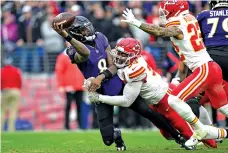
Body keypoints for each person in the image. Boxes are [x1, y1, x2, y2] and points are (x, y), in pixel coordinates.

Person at [52, 15, 193, 150]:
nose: (88, 31)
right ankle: (117, 136)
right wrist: (66, 36)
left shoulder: (100, 37)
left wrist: (100, 78)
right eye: (83, 30)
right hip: (100, 94)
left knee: (147, 111)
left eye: (87, 27)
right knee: (107, 140)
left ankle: (178, 136)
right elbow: (85, 54)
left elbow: (113, 65)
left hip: (117, 84)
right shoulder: (72, 50)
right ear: (75, 34)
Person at [120, 0, 228, 146]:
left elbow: (160, 32)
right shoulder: (190, 18)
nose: (164, 14)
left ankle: (200, 129)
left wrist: (137, 23)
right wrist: (178, 78)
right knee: (223, 107)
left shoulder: (177, 22)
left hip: (205, 69)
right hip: (210, 68)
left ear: (175, 10)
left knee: (174, 100)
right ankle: (218, 133)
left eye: (166, 11)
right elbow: (185, 57)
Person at [87, 38, 217, 148]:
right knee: (167, 135)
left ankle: (218, 135)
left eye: (123, 54)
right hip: (156, 101)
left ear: (133, 56)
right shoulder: (129, 64)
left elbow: (127, 101)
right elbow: (113, 71)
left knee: (200, 139)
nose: (119, 56)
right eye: (119, 52)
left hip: (166, 100)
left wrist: (100, 97)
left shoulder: (135, 69)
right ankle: (198, 119)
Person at [197, 0, 228, 127]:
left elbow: (197, 39)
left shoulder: (203, 15)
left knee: (195, 95)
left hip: (212, 58)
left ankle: (197, 130)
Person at [55, 44, 84, 130]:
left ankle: (80, 126)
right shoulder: (63, 57)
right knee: (68, 106)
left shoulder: (80, 54)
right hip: (68, 86)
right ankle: (66, 126)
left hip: (79, 86)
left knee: (79, 106)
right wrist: (61, 85)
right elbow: (59, 71)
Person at [1, 58, 22, 131]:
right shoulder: (16, 70)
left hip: (6, 91)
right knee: (13, 111)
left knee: (3, 111)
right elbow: (19, 82)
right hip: (15, 91)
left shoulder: (2, 71)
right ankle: (11, 129)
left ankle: (1, 128)